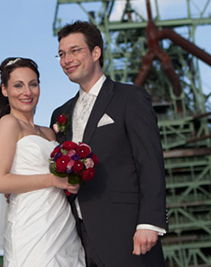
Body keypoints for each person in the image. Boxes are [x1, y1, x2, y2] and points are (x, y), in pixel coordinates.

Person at [50, 21, 168, 267]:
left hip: (126, 232)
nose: (66, 59)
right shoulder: (60, 114)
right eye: (61, 54)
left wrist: (149, 222)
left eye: (74, 50)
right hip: (76, 239)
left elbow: (149, 161)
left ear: (96, 53)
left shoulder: (129, 97)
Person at [0, 57, 86, 267]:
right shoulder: (9, 124)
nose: (27, 92)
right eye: (18, 85)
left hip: (62, 222)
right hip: (31, 223)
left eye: (33, 84)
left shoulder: (49, 132)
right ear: (4, 90)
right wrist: (53, 180)